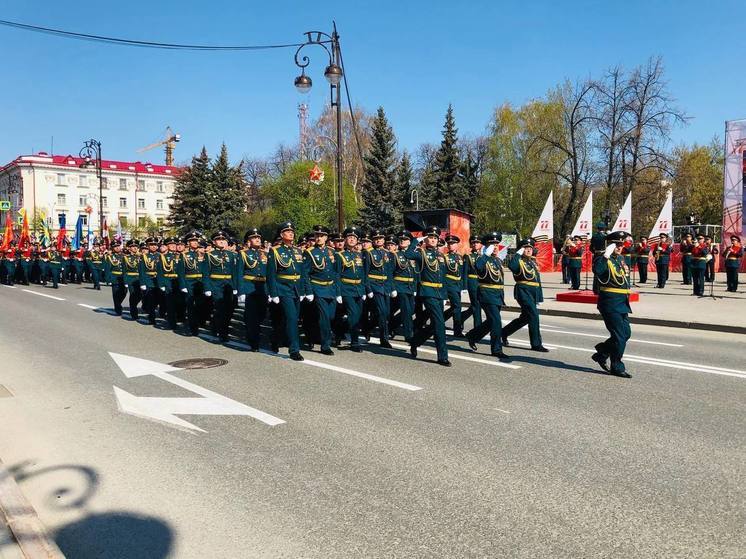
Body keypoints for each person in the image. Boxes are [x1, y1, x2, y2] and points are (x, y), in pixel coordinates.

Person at [404, 225, 450, 366]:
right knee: (440, 324)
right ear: (426, 239)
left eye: (435, 237)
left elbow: (443, 277)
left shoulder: (441, 256)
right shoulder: (421, 253)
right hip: (428, 293)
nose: (433, 240)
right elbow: (407, 254)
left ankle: (415, 341)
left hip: (439, 293)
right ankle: (442, 356)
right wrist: (416, 241)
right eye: (430, 237)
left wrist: (445, 296)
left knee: (436, 324)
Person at [592, 231, 632, 378]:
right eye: (616, 244)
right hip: (609, 302)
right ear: (610, 245)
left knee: (626, 333)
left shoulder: (620, 259)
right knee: (620, 335)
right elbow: (597, 271)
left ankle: (602, 352)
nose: (620, 247)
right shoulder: (603, 259)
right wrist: (605, 255)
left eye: (621, 244)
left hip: (622, 302)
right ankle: (617, 366)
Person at [466, 232, 510, 362]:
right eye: (492, 244)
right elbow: (477, 267)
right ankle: (497, 349)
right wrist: (486, 254)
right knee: (496, 321)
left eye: (497, 244)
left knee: (491, 321)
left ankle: (473, 336)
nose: (495, 247)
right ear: (486, 246)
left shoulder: (497, 259)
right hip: (487, 294)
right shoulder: (482, 258)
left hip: (497, 295)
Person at [267, 222, 307, 360]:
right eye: (287, 231)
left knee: (289, 319)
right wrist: (273, 293)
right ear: (281, 235)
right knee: (291, 318)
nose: (291, 233)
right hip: (283, 288)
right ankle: (294, 350)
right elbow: (271, 273)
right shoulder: (275, 250)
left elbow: (302, 272)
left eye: (292, 231)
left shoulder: (298, 251)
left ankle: (275, 337)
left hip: (296, 288)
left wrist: (303, 290)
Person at [501, 238, 549, 352]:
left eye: (530, 248)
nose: (528, 250)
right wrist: (517, 253)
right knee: (533, 315)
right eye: (525, 248)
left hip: (532, 293)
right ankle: (536, 344)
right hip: (523, 292)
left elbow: (537, 281)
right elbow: (511, 266)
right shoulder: (519, 262)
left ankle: (503, 333)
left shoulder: (531, 262)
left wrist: (539, 298)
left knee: (525, 318)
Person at [303, 224, 340, 356]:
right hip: (318, 287)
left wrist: (338, 291)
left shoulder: (332, 251)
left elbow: (335, 272)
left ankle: (313, 334)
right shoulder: (309, 252)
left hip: (331, 288)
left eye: (321, 236)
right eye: (317, 235)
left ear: (326, 237)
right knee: (324, 318)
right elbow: (305, 273)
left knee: (330, 316)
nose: (318, 238)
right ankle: (325, 345)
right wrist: (309, 291)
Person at [334, 227, 367, 352]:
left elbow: (362, 274)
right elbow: (336, 274)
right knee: (353, 315)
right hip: (346, 288)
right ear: (345, 240)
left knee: (357, 317)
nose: (352, 240)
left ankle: (338, 332)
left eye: (354, 238)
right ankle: (354, 343)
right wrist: (338, 292)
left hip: (358, 288)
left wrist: (363, 290)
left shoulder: (359, 255)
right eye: (349, 237)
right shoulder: (339, 255)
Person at [204, 230, 238, 342]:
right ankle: (222, 333)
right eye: (219, 239)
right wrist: (208, 288)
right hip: (216, 284)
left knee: (229, 309)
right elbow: (206, 273)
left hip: (228, 284)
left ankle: (217, 325)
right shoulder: (209, 255)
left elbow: (234, 272)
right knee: (220, 308)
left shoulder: (232, 255)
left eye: (223, 239)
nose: (221, 241)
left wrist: (235, 287)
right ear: (214, 242)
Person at [237, 228, 267, 350]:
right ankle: (253, 341)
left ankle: (252, 330)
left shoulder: (265, 253)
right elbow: (239, 273)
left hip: (263, 288)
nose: (257, 239)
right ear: (248, 241)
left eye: (259, 237)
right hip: (249, 287)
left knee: (262, 314)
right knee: (252, 316)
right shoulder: (243, 254)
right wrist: (241, 291)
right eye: (254, 237)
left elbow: (269, 273)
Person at [362, 229, 394, 348]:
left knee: (385, 313)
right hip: (374, 284)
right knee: (382, 312)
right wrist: (368, 288)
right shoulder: (368, 253)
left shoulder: (387, 253)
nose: (378, 240)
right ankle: (384, 339)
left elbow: (390, 272)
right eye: (375, 239)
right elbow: (365, 273)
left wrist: (392, 287)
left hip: (385, 285)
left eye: (380, 238)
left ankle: (367, 328)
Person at [389, 231, 417, 343]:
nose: (402, 241)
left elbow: (415, 273)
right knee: (406, 310)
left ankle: (391, 326)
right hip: (400, 286)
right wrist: (393, 288)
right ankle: (409, 334)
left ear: (410, 242)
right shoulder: (395, 254)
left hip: (410, 286)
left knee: (411, 310)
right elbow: (390, 273)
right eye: (400, 239)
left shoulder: (413, 255)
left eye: (405, 239)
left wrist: (414, 288)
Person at [179, 231, 208, 336]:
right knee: (191, 306)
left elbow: (206, 270)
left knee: (201, 305)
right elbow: (181, 271)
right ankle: (193, 327)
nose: (195, 243)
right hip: (189, 282)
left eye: (196, 241)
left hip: (201, 282)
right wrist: (183, 285)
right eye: (192, 241)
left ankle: (200, 322)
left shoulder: (204, 255)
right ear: (188, 243)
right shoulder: (184, 255)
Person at [157, 237, 183, 329]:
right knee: (171, 303)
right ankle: (172, 322)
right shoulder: (163, 257)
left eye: (175, 244)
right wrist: (161, 284)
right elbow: (160, 272)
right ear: (167, 246)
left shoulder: (181, 256)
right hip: (168, 282)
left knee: (180, 303)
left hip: (180, 282)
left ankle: (180, 319)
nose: (173, 246)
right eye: (170, 244)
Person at [443, 234, 466, 337]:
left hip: (457, 284)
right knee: (457, 307)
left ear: (457, 245)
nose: (450, 245)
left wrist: (463, 287)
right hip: (449, 284)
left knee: (455, 308)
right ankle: (457, 330)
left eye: (453, 243)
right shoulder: (445, 257)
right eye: (449, 244)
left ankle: (437, 323)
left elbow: (463, 273)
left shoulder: (461, 257)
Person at [462, 235, 483, 330]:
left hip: (482, 283)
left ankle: (461, 317)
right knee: (476, 305)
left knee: (479, 305)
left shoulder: (484, 256)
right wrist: (465, 287)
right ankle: (478, 328)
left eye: (477, 242)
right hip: (473, 282)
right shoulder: (468, 257)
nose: (475, 244)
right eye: (473, 243)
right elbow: (465, 272)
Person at [104, 240, 126, 315]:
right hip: (115, 278)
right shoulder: (110, 257)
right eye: (115, 247)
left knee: (124, 292)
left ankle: (118, 304)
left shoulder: (124, 256)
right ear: (112, 248)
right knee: (116, 294)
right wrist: (108, 279)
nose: (117, 248)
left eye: (118, 246)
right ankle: (118, 308)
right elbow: (107, 269)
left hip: (123, 277)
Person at [122, 239, 143, 320]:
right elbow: (124, 271)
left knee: (141, 295)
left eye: (136, 246)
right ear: (129, 248)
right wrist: (126, 281)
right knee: (133, 295)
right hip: (131, 279)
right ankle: (133, 312)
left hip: (140, 279)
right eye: (132, 246)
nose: (134, 248)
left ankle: (134, 307)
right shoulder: (126, 258)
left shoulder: (142, 256)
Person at [590, 222, 607, 294]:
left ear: (598, 228)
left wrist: (595, 252)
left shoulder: (594, 236)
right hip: (603, 255)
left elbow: (591, 247)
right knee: (603, 272)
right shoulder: (606, 236)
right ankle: (602, 288)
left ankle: (595, 289)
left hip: (596, 255)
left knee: (596, 272)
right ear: (604, 228)